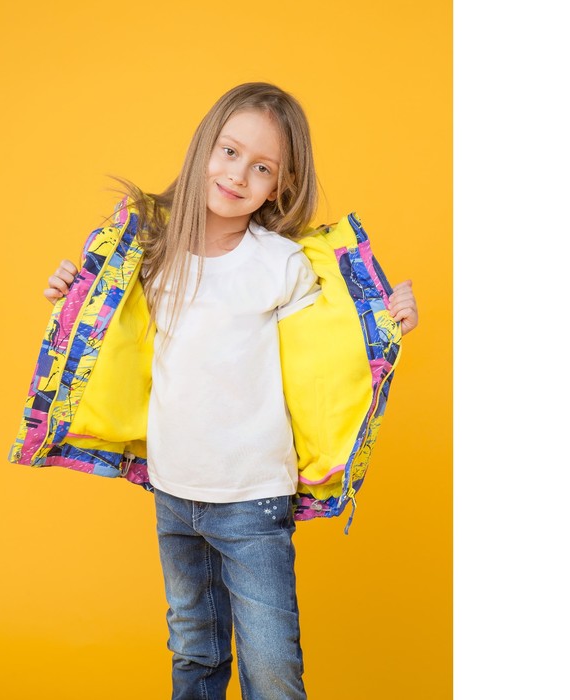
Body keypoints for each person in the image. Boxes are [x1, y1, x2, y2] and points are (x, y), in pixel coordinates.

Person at [32, 82, 419, 699]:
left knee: (271, 667)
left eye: (262, 167)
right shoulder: (152, 253)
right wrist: (68, 292)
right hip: (173, 488)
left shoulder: (280, 264)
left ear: (280, 187)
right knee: (193, 650)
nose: (239, 174)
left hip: (253, 498)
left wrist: (387, 320)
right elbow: (109, 331)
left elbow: (331, 349)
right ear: (204, 147)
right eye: (230, 151)